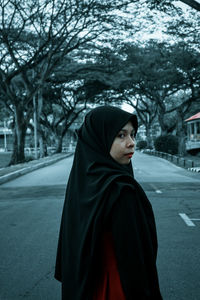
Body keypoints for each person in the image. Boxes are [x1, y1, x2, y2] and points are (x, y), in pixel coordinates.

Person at [54, 105, 163, 300]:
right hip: (117, 290)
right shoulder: (120, 190)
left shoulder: (83, 184)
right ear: (99, 139)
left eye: (133, 135)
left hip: (84, 289)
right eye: (121, 135)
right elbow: (135, 263)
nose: (131, 143)